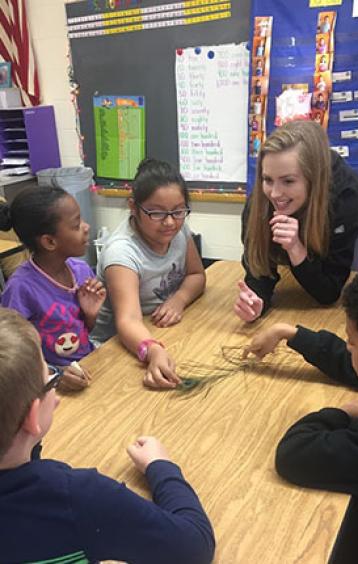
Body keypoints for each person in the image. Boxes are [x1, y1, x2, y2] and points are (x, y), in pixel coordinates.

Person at [0, 308, 215, 563]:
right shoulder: (76, 499)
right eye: (51, 377)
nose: (55, 392)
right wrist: (162, 467)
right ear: (31, 417)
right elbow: (194, 547)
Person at [249, 261, 358, 564]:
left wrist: (342, 413)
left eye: (352, 341)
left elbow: (296, 454)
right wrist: (290, 333)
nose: (347, 346)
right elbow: (356, 366)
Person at [235, 120, 358, 322]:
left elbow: (329, 293)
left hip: (344, 213)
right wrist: (256, 303)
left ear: (313, 178)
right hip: (310, 210)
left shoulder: (346, 198)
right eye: (268, 179)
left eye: (288, 181)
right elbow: (259, 273)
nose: (274, 193)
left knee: (350, 302)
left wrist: (296, 249)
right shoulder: (260, 202)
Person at [91, 159, 205, 390]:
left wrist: (179, 300)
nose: (170, 222)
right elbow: (128, 320)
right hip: (117, 349)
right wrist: (153, 350)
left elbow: (196, 275)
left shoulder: (179, 228)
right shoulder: (121, 253)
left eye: (178, 211)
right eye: (156, 213)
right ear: (134, 207)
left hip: (162, 328)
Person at [0, 186, 105, 392]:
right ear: (49, 241)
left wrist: (90, 315)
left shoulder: (82, 272)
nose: (86, 227)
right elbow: (12, 355)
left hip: (87, 366)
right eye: (76, 225)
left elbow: (81, 333)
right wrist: (53, 374)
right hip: (45, 384)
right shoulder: (21, 288)